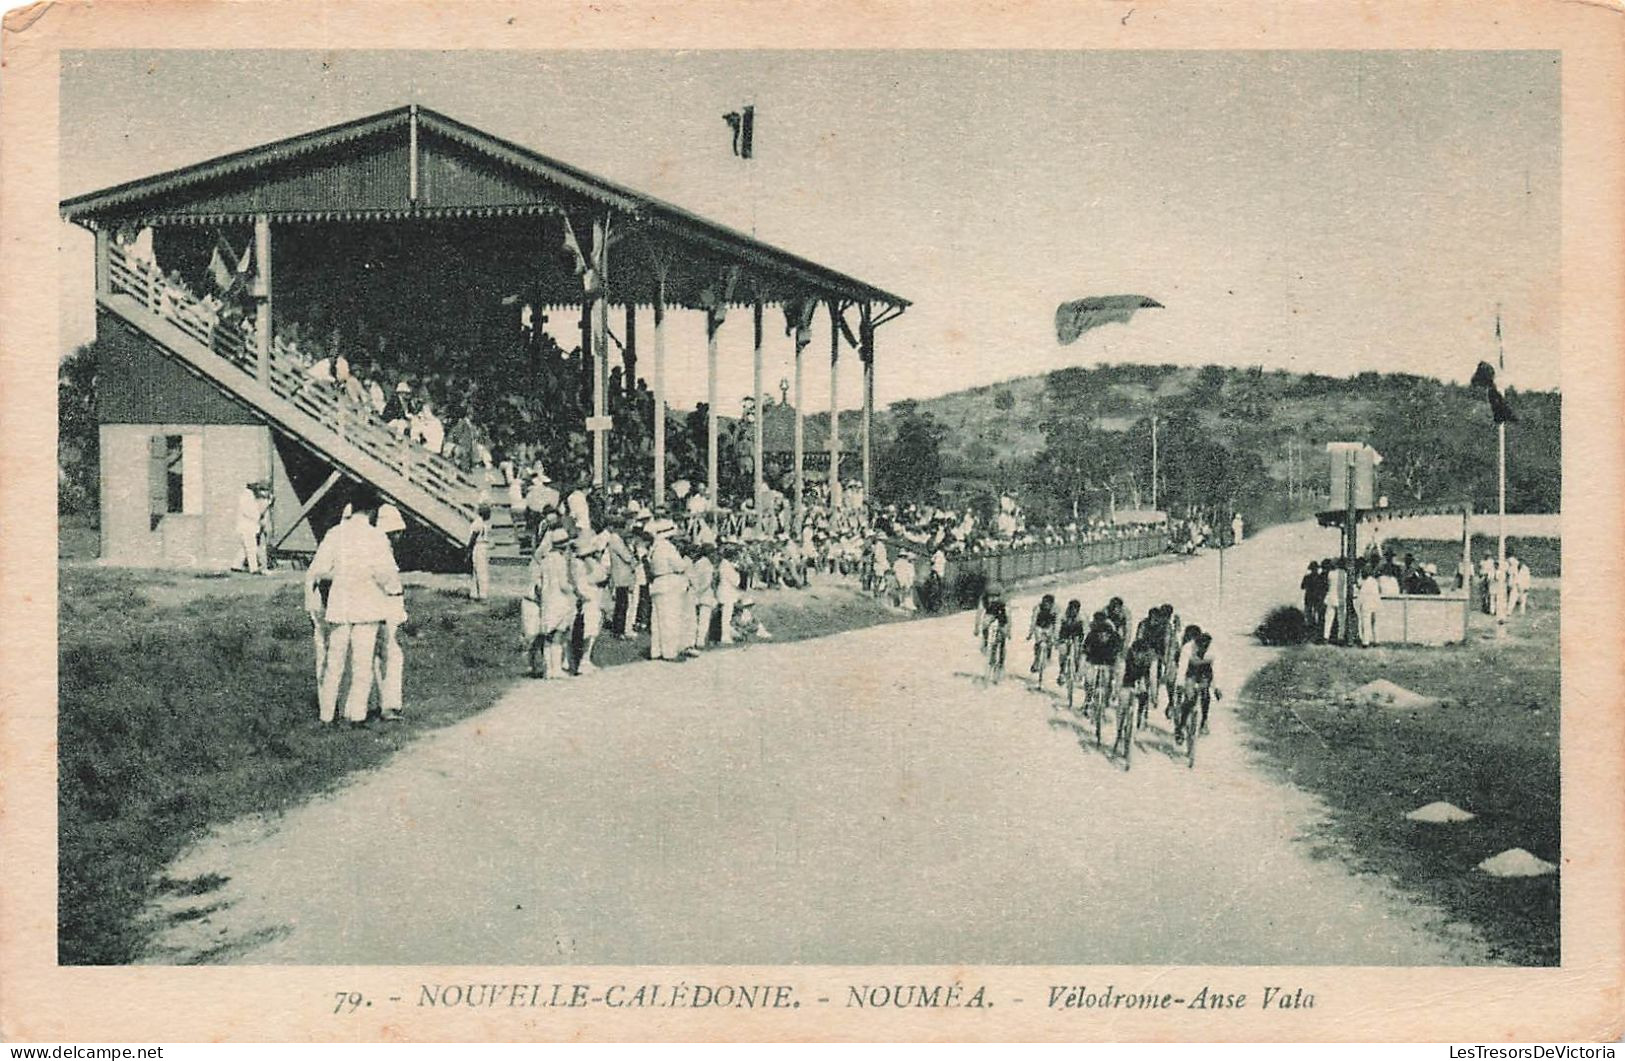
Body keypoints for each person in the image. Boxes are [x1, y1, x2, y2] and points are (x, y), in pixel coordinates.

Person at [305, 494, 401, 726]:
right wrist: (393, 590)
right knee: (362, 662)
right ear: (371, 511)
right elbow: (385, 572)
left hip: (339, 604)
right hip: (368, 605)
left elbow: (319, 569)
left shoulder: (334, 534)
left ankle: (327, 714)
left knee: (334, 661)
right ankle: (356, 715)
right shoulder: (376, 536)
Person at [373, 504, 408, 721]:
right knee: (392, 655)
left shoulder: (379, 547)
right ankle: (389, 705)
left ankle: (382, 702)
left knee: (380, 656)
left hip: (384, 604)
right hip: (387, 605)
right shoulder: (382, 551)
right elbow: (388, 583)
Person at [646, 518, 690, 661]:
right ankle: (670, 652)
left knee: (657, 620)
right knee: (670, 619)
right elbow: (679, 566)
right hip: (669, 583)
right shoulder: (668, 547)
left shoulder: (654, 548)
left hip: (658, 583)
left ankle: (656, 650)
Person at [569, 532, 609, 674]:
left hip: (591, 599)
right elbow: (601, 575)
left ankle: (583, 660)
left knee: (591, 630)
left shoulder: (580, 564)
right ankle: (583, 661)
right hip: (589, 600)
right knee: (589, 630)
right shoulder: (582, 565)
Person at [606, 518, 639, 637]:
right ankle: (618, 630)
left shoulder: (617, 539)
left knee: (622, 603)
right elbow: (627, 556)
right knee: (622, 604)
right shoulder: (616, 539)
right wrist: (632, 553)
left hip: (623, 574)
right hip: (621, 575)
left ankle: (619, 628)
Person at [974, 583, 1011, 684]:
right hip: (990, 613)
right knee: (985, 623)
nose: (993, 599)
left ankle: (1001, 664)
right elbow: (979, 613)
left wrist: (1008, 630)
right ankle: (985, 642)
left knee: (1002, 637)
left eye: (995, 596)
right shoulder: (983, 600)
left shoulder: (1004, 601)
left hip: (1001, 614)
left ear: (999, 596)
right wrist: (977, 627)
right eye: (990, 596)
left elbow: (1008, 616)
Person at [689, 544, 719, 650]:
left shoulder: (697, 563)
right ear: (709, 553)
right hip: (705, 594)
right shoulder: (708, 565)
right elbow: (707, 582)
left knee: (696, 619)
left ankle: (694, 640)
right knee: (704, 619)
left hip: (696, 593)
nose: (715, 555)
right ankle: (700, 641)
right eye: (713, 553)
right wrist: (700, 592)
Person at [1027, 593, 1058, 683]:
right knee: (1039, 642)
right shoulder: (1037, 608)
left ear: (1052, 604)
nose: (1045, 605)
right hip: (1039, 626)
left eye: (1048, 603)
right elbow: (1033, 621)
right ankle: (1036, 659)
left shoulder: (1056, 610)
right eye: (1044, 603)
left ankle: (1048, 655)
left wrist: (1055, 636)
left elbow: (1057, 623)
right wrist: (1031, 633)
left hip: (1049, 627)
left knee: (1050, 641)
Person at [234, 481, 263, 574]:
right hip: (248, 528)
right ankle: (253, 569)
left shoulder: (245, 496)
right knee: (251, 548)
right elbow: (250, 512)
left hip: (244, 527)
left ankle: (236, 565)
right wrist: (258, 515)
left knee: (244, 548)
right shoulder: (248, 497)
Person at [716, 544, 743, 644]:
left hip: (726, 593)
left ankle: (727, 635)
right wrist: (738, 572)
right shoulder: (726, 566)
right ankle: (725, 637)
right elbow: (736, 581)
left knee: (727, 616)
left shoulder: (725, 564)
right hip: (726, 594)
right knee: (726, 617)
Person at [1056, 599, 1085, 689]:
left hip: (1077, 634)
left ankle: (1077, 670)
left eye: (1075, 609)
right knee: (1063, 651)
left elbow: (1086, 630)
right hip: (1065, 633)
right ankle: (1062, 671)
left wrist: (1083, 642)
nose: (1073, 611)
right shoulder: (1062, 615)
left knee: (1077, 651)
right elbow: (1057, 628)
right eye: (1071, 609)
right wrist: (1057, 639)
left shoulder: (1082, 617)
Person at [467, 504, 492, 600]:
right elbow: (473, 537)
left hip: (481, 546)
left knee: (479, 570)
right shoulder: (479, 523)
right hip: (479, 546)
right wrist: (469, 549)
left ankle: (477, 593)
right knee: (480, 570)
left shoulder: (482, 523)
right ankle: (480, 594)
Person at [1357, 561, 1383, 646]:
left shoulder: (1364, 583)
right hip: (1376, 604)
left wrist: (1359, 605)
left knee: (1366, 623)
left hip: (1367, 605)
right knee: (1375, 623)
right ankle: (1377, 640)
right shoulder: (1374, 581)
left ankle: (1365, 642)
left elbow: (1361, 595)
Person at [1323, 558, 1346, 642]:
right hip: (1340, 597)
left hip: (1331, 597)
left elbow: (1329, 584)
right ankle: (1340, 637)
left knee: (1329, 618)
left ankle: (1326, 636)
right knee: (1341, 618)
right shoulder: (1344, 573)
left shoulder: (1331, 573)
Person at [1301, 562, 1324, 637]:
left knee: (1309, 615)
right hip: (1317, 598)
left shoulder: (1307, 577)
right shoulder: (1320, 577)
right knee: (1317, 615)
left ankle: (1310, 631)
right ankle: (1317, 632)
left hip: (1309, 598)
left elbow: (1302, 587)